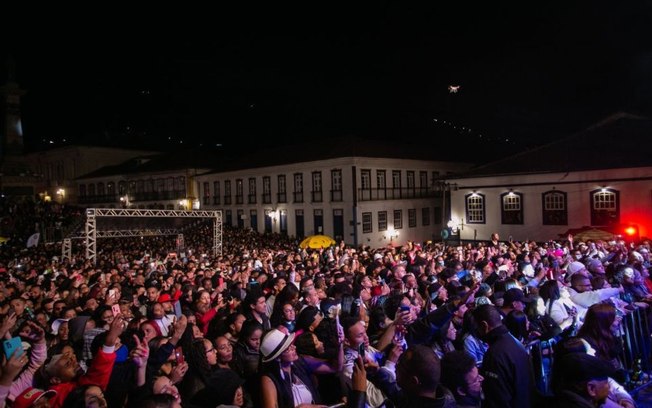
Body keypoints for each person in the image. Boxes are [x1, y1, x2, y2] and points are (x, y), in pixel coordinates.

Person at [472, 304, 533, 408]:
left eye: (477, 327)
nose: (476, 331)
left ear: (484, 325)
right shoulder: (515, 342)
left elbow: (498, 398)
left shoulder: (494, 354)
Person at [259, 328, 325, 408]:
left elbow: (335, 367)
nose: (294, 348)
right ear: (277, 358)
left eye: (291, 344)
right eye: (288, 349)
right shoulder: (268, 379)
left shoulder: (298, 365)